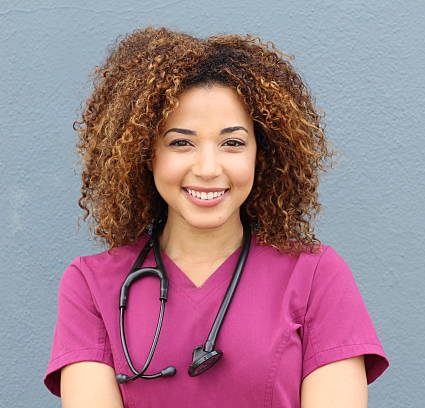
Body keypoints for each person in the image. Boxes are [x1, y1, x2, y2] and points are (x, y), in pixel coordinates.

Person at [44, 26, 389, 407]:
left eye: (232, 143)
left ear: (264, 153)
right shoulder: (90, 285)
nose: (208, 168)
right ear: (145, 153)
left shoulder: (316, 275)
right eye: (181, 142)